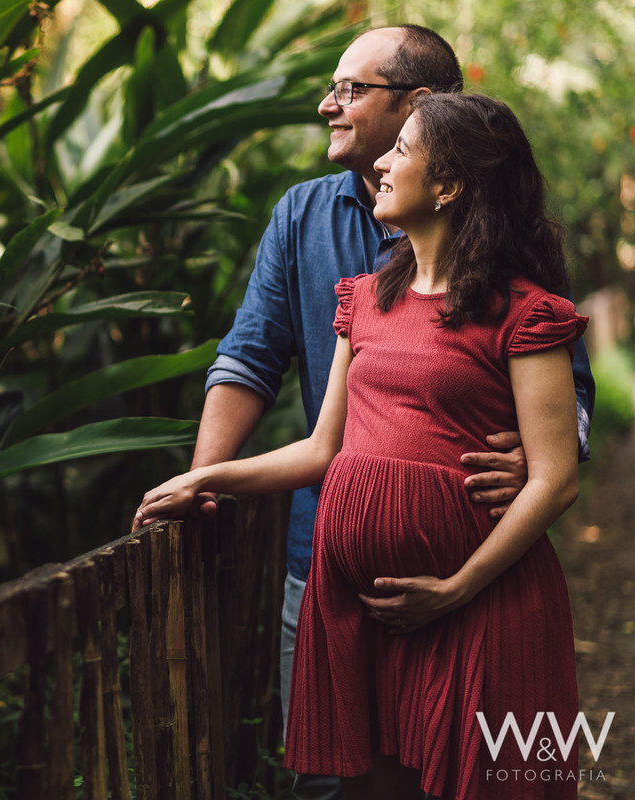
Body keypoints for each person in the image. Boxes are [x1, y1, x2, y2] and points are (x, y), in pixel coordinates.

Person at [135, 24, 594, 800]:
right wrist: (204, 480)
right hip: (335, 582)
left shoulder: (515, 283)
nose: (330, 106)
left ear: (422, 122)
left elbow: (564, 421)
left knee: (486, 779)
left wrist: (541, 458)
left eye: (351, 89)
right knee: (336, 782)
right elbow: (277, 390)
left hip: (477, 588)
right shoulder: (337, 262)